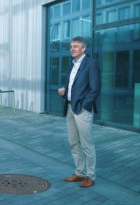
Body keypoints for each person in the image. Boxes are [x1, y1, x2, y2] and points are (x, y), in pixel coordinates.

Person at [58, 36, 101, 187]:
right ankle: (79, 172)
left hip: (82, 109)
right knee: (74, 143)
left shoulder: (91, 64)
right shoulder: (72, 65)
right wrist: (64, 91)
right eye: (71, 46)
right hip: (69, 107)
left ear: (83, 48)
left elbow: (95, 89)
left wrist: (85, 106)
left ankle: (90, 175)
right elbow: (72, 85)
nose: (72, 48)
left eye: (76, 46)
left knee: (86, 145)